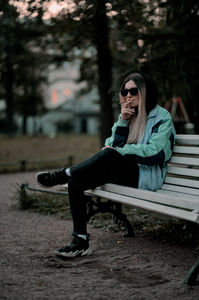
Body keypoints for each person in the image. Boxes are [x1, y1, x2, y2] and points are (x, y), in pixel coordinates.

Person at [36, 72, 175, 258]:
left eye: (133, 91)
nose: (128, 95)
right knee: (77, 181)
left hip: (147, 176)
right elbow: (111, 146)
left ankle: (64, 173)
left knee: (109, 154)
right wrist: (123, 122)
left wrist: (120, 152)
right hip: (124, 173)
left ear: (146, 92)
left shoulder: (161, 117)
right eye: (124, 91)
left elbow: (156, 153)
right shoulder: (127, 116)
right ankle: (80, 241)